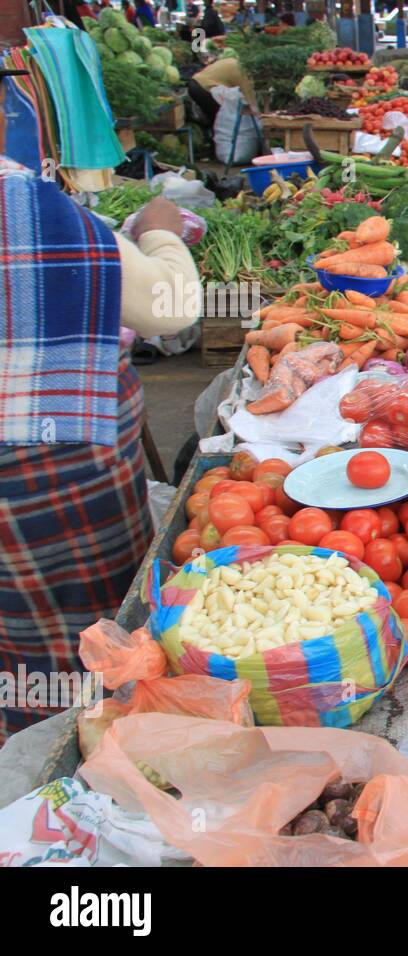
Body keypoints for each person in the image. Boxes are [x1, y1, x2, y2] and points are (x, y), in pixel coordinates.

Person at [0, 164, 200, 741]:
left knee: (21, 646)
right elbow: (171, 305)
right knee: (107, 625)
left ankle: (36, 759)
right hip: (52, 468)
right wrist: (160, 229)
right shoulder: (19, 204)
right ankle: (111, 744)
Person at [188, 53, 257, 135]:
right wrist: (258, 115)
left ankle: (212, 139)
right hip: (202, 88)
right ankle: (218, 144)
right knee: (220, 119)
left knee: (215, 118)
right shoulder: (243, 73)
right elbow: (249, 97)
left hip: (194, 83)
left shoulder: (234, 61)